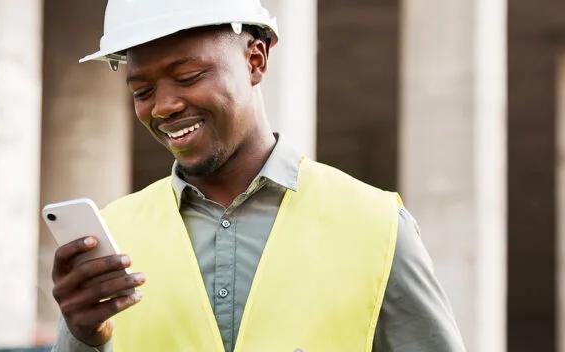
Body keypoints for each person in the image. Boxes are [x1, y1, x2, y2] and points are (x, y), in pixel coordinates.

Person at [51, 1, 465, 351]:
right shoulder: (114, 236)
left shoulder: (376, 226)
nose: (163, 107)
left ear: (256, 60)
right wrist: (83, 339)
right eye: (142, 91)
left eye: (188, 77)